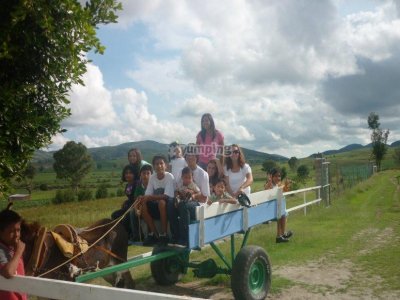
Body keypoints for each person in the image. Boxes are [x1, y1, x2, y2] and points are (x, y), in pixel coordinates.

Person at [136, 155, 174, 246]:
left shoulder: (169, 177)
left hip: (167, 206)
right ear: (154, 166)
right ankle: (155, 235)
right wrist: (142, 198)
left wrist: (149, 197)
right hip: (156, 205)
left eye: (161, 163)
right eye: (156, 164)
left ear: (166, 166)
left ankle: (164, 235)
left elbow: (167, 196)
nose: (159, 166)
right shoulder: (152, 177)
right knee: (143, 204)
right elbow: (147, 194)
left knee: (161, 202)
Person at [175, 148, 210, 246]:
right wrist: (178, 196)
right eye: (188, 155)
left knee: (184, 205)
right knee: (170, 204)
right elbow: (177, 189)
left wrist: (192, 194)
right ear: (185, 158)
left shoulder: (203, 174)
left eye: (193, 155)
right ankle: (173, 236)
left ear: (197, 157)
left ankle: (185, 238)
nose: (190, 157)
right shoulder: (180, 172)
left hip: (199, 204)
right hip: (184, 200)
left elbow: (204, 197)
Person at [0, 205, 27, 300]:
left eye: (18, 230)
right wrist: (19, 252)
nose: (16, 235)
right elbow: (7, 272)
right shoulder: (1, 250)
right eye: (11, 231)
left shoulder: (11, 248)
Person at [265, 168, 293, 243]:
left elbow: (285, 191)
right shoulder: (269, 184)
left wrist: (287, 185)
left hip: (277, 207)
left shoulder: (279, 184)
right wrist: (270, 181)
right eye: (276, 176)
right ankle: (283, 234)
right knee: (282, 214)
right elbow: (267, 189)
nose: (278, 178)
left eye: (279, 176)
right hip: (271, 208)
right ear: (271, 177)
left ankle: (280, 235)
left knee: (282, 214)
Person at [129, 164, 153, 242]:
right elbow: (136, 200)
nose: (145, 176)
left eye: (148, 173)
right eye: (143, 173)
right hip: (140, 206)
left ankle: (150, 234)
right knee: (132, 212)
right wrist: (136, 210)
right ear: (140, 175)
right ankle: (137, 236)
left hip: (151, 206)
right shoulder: (139, 186)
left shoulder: (153, 185)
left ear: (151, 175)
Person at [111, 165, 136, 238]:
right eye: (126, 173)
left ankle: (127, 235)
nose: (128, 175)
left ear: (134, 174)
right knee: (114, 215)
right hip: (128, 206)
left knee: (126, 216)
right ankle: (119, 233)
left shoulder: (136, 183)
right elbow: (130, 197)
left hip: (135, 206)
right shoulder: (128, 185)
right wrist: (126, 202)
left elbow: (136, 197)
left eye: (130, 173)